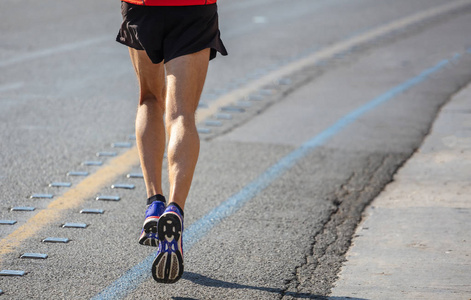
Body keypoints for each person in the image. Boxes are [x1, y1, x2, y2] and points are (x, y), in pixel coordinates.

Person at [116, 0, 227, 284]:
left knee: (149, 99)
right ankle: (175, 208)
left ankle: (154, 202)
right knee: (181, 114)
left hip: (142, 6)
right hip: (192, 7)